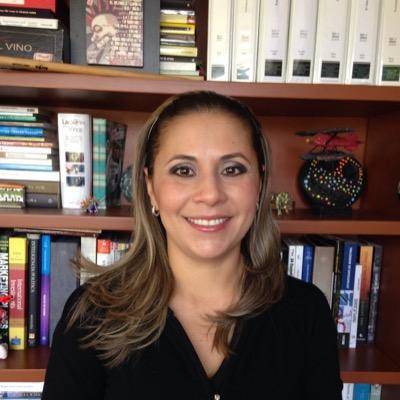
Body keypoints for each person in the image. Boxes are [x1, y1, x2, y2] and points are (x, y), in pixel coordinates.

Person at [42, 91, 343, 399]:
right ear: (151, 187)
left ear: (260, 184)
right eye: (183, 170)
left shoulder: (306, 314)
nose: (210, 194)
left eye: (232, 169)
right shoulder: (91, 316)